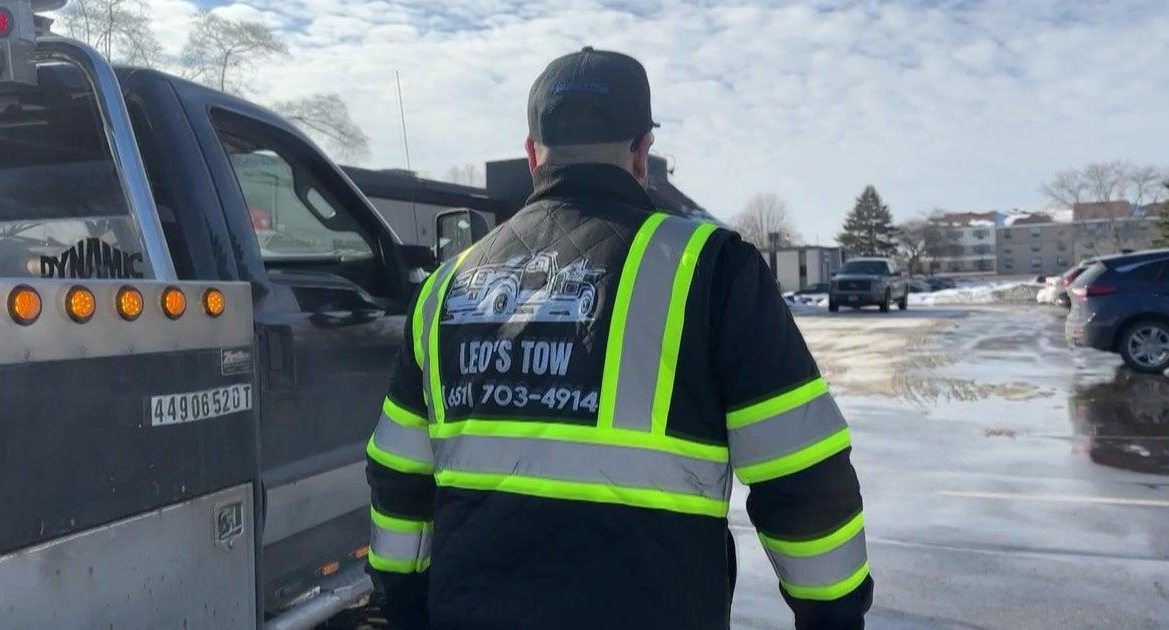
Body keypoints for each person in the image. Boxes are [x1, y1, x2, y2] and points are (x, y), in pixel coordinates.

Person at [365, 46, 873, 630]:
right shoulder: (712, 269)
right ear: (641, 153)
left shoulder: (446, 287)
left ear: (533, 154)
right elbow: (802, 474)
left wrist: (407, 607)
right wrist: (834, 617)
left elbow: (398, 478)